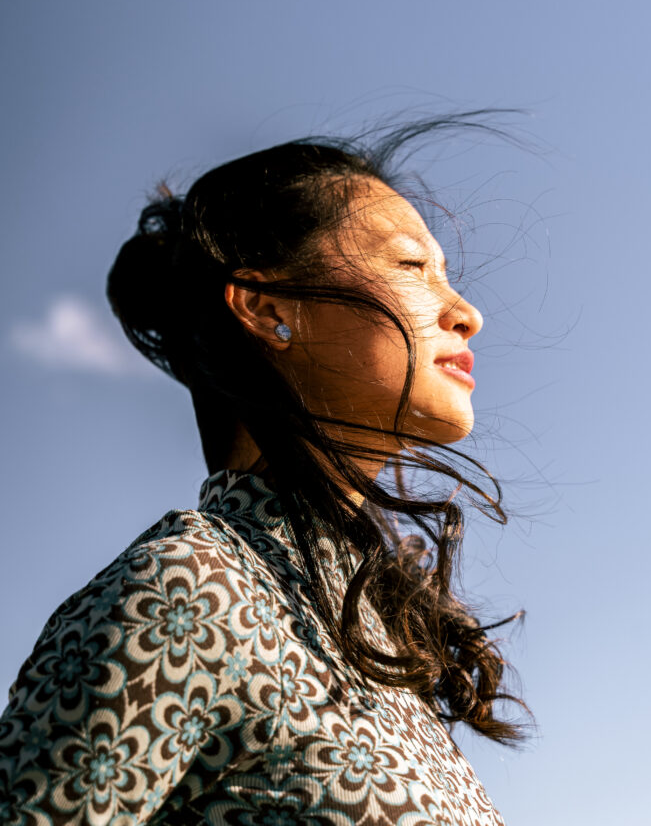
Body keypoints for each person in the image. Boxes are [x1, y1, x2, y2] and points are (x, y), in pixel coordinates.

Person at [0, 117, 527, 825]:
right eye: (411, 268)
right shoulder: (188, 590)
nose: (466, 313)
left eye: (446, 276)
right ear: (268, 310)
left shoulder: (368, 634)